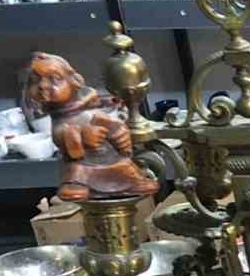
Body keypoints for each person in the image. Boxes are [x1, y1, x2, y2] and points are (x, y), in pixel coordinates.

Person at [23, 52, 158, 202]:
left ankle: (131, 181)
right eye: (35, 81)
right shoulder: (58, 115)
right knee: (76, 170)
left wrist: (112, 107)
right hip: (84, 162)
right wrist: (82, 135)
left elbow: (100, 105)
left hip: (110, 153)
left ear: (74, 82)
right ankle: (77, 184)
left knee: (124, 165)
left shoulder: (86, 99)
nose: (42, 86)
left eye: (54, 79)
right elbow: (59, 134)